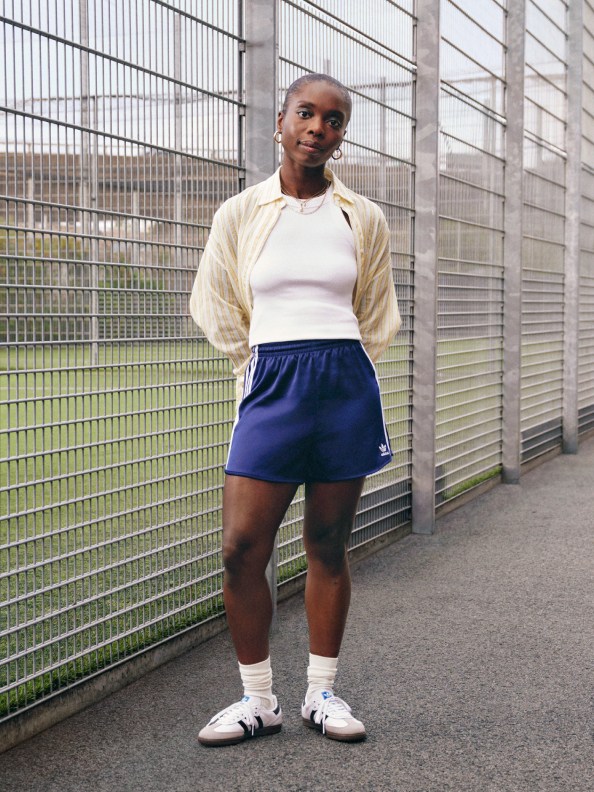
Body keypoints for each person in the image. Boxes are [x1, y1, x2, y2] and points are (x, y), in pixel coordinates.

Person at [189, 73, 400, 747]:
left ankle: (321, 693)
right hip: (271, 381)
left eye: (334, 120)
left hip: (343, 382)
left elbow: (375, 310)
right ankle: (259, 701)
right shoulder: (241, 213)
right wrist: (251, 364)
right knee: (241, 549)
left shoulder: (361, 217)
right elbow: (214, 297)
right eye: (306, 113)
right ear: (281, 122)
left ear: (341, 136)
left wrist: (348, 366)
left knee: (327, 545)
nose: (318, 127)